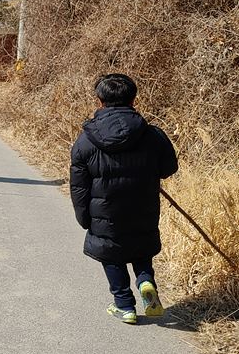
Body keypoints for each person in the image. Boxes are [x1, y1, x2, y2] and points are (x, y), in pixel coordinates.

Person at [70, 73, 178, 324]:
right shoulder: (153, 135)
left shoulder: (86, 140)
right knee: (140, 247)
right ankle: (146, 283)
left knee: (111, 254)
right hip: (143, 206)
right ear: (134, 100)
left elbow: (79, 185)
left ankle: (124, 306)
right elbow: (168, 168)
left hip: (104, 211)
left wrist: (84, 217)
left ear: (99, 101)